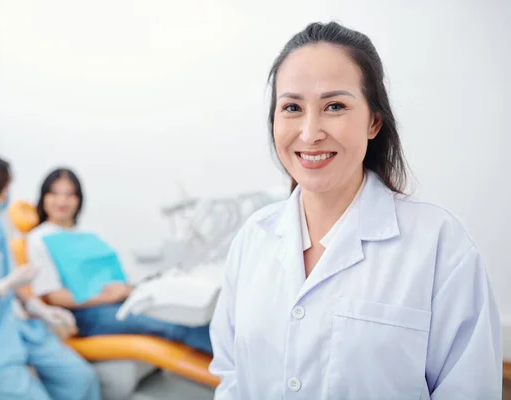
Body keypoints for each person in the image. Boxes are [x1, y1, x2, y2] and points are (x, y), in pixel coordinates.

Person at [208, 21, 502, 399]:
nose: (310, 132)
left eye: (335, 106)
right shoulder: (253, 239)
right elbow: (232, 379)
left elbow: (469, 388)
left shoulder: (439, 245)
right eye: (292, 107)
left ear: (373, 121)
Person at [0, 152, 101, 400]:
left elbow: (16, 285)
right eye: (6, 186)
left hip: (13, 327)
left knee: (81, 377)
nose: (8, 193)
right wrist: (1, 288)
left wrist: (42, 310)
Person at [27, 168, 213, 354]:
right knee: (172, 324)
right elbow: (52, 296)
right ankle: (231, 365)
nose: (62, 201)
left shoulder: (90, 235)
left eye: (69, 195)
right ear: (44, 197)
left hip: (120, 301)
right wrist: (109, 297)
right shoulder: (39, 238)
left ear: (78, 200)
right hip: (86, 315)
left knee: (184, 309)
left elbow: (117, 274)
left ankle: (230, 357)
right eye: (54, 193)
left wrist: (127, 290)